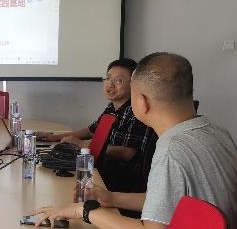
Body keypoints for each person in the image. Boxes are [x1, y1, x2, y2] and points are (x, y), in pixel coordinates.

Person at [33, 53, 237, 229]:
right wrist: (112, 198)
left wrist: (85, 211)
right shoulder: (217, 133)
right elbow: (177, 202)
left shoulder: (172, 149)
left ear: (141, 102)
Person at [38, 58, 156, 192]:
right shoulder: (112, 108)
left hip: (118, 181)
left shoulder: (136, 112)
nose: (110, 84)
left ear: (134, 85)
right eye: (108, 78)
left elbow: (126, 153)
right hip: (101, 170)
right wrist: (55, 137)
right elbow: (91, 130)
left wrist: (84, 145)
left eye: (118, 80)